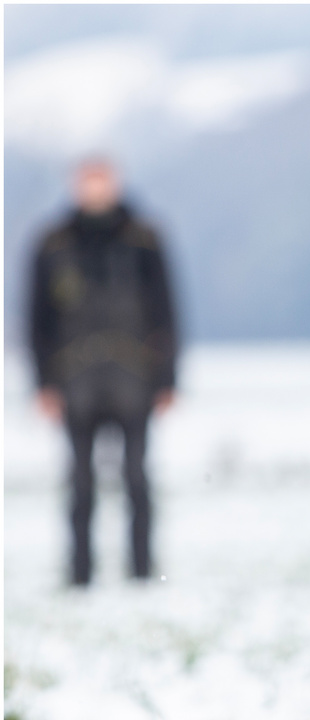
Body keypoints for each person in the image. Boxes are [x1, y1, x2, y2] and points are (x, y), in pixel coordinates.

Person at [28, 159, 179, 585]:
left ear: (115, 184)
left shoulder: (146, 238)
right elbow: (37, 318)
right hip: (75, 381)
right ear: (75, 186)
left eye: (102, 181)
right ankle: (80, 574)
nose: (95, 190)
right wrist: (43, 383)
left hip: (135, 379)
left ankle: (143, 572)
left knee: (137, 477)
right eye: (88, 182)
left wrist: (168, 379)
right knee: (79, 482)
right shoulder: (52, 243)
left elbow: (166, 310)